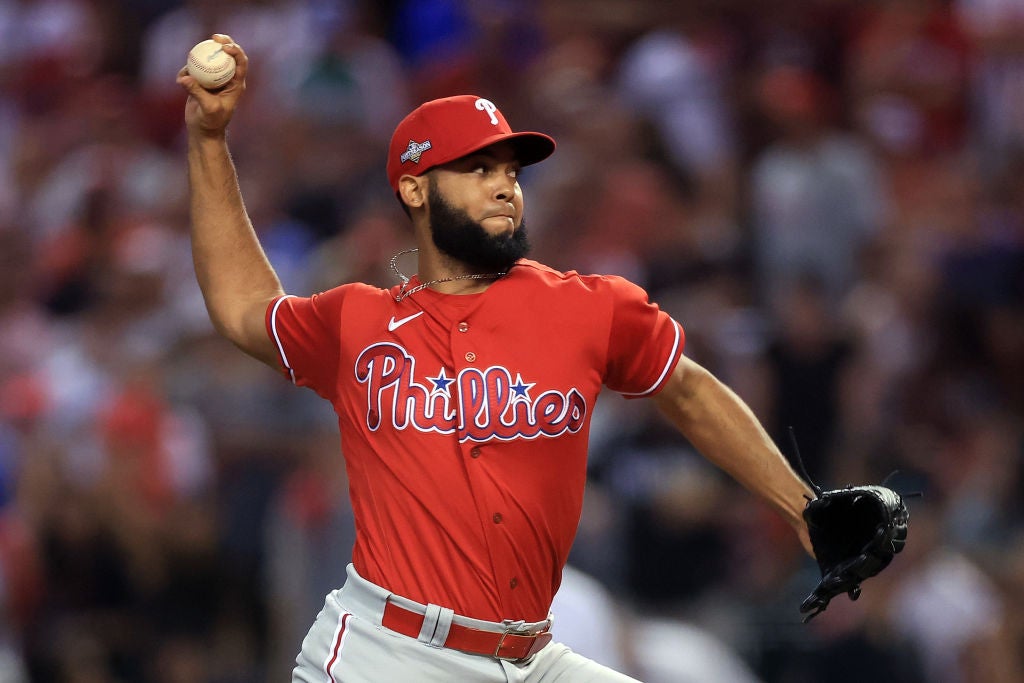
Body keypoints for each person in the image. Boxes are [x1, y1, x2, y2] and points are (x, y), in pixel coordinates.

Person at [178, 34, 815, 683]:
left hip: (530, 655)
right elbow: (241, 306)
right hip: (389, 651)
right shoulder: (359, 320)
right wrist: (207, 141)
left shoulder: (590, 308)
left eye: (511, 170)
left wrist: (803, 506)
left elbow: (688, 390)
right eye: (477, 170)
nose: (505, 187)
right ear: (416, 190)